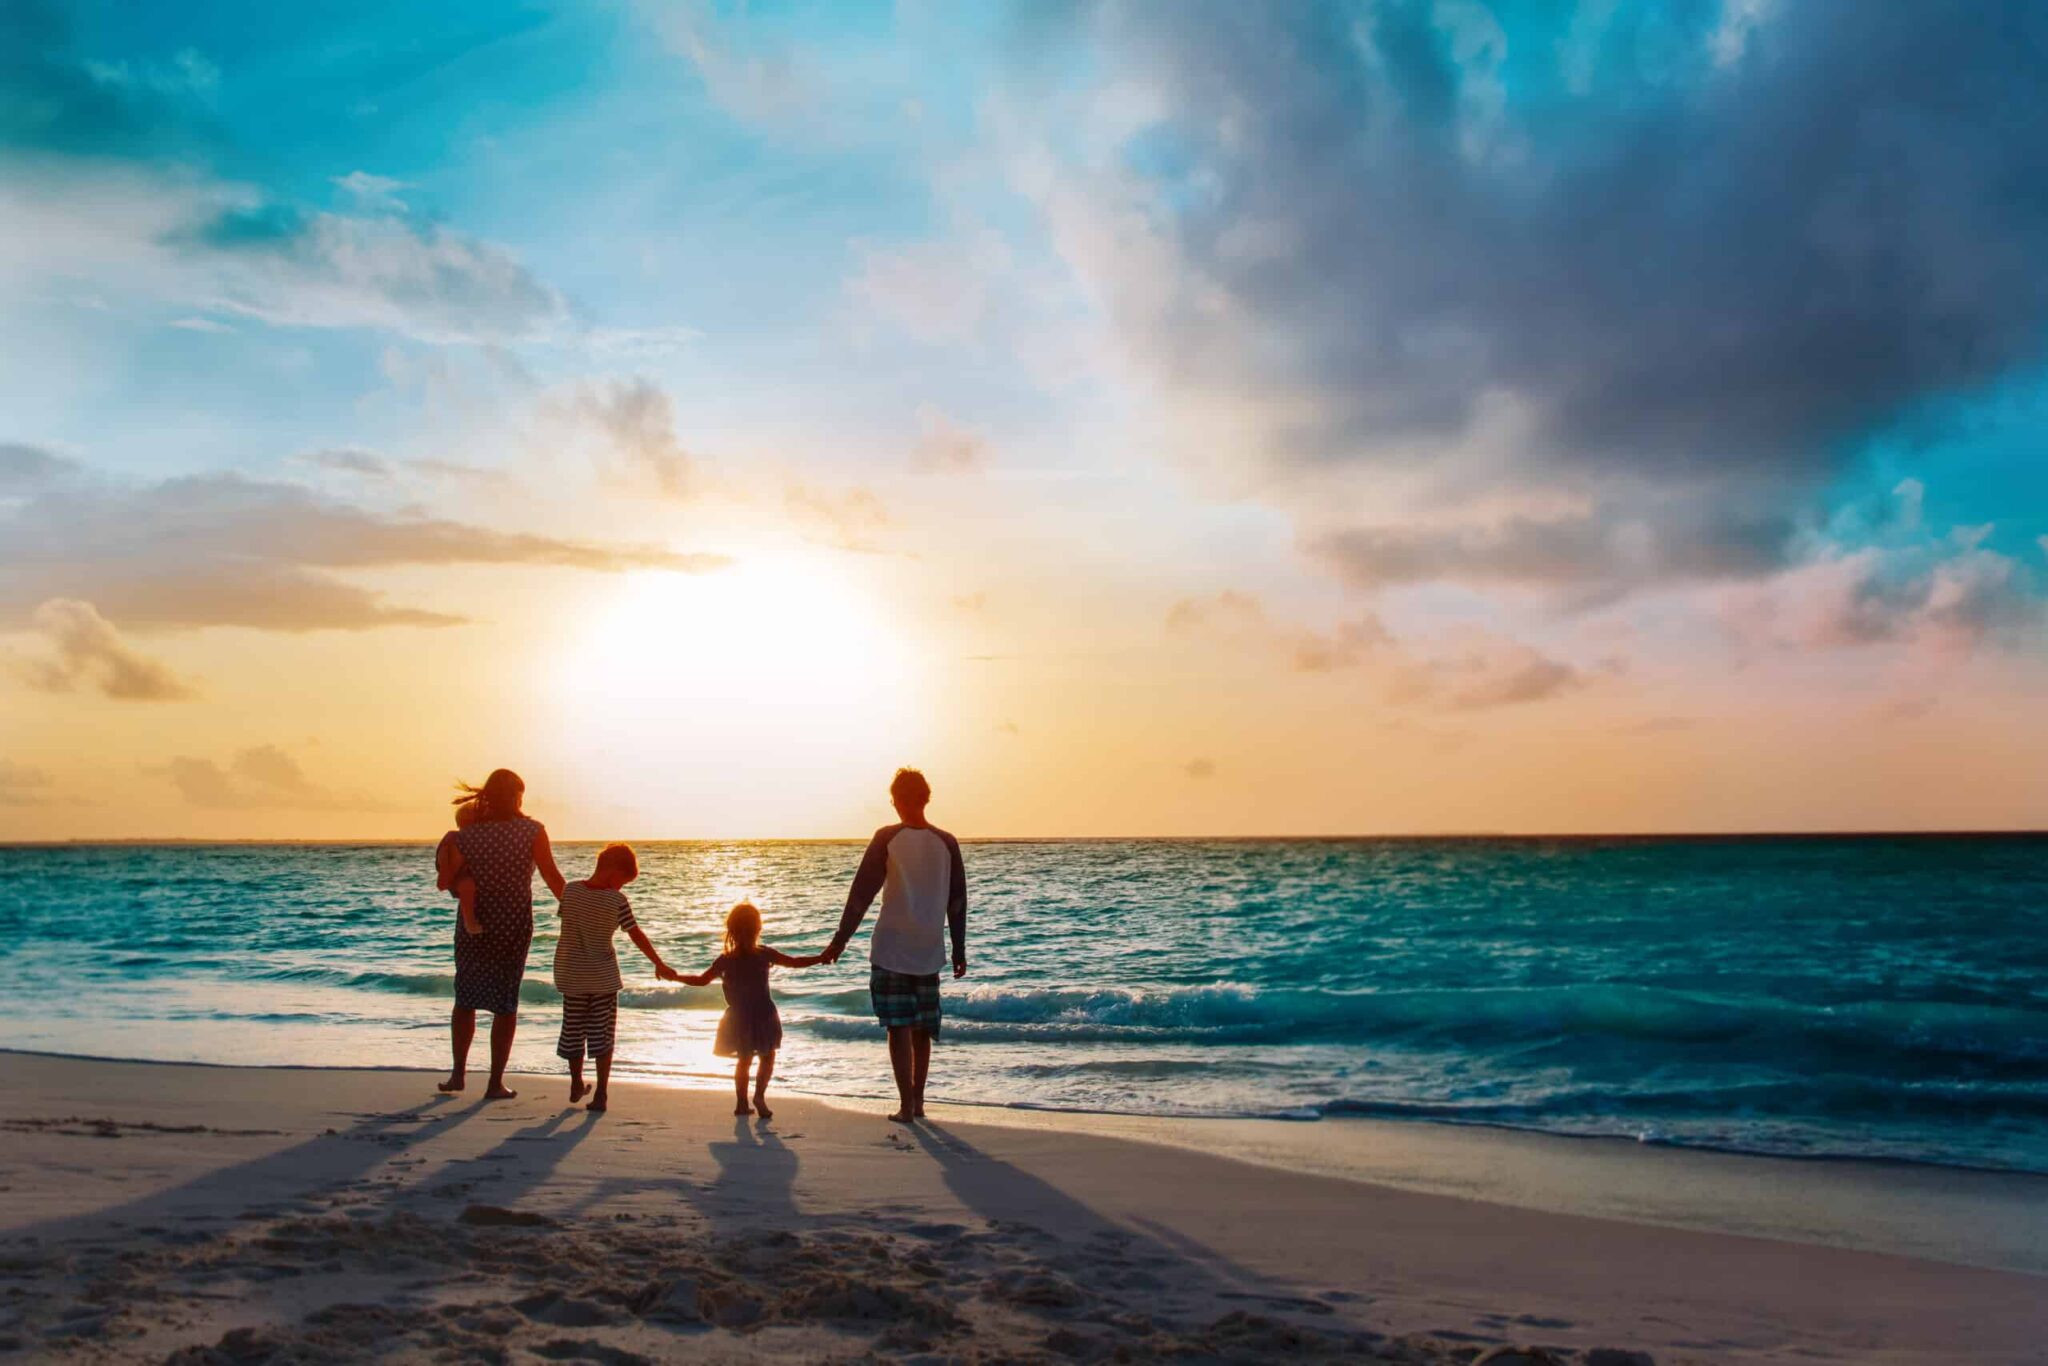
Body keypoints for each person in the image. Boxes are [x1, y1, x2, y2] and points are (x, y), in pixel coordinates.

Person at [820, 768, 967, 1124]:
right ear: (926, 798)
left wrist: (839, 941)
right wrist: (959, 949)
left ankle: (906, 1106)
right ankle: (917, 1102)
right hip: (929, 951)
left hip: (890, 949)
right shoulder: (947, 842)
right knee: (921, 1031)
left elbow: (861, 895)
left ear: (896, 801)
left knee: (898, 1027)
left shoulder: (886, 838)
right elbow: (958, 901)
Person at [434, 768, 565, 1100]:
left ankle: (458, 1074)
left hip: (472, 924)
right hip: (513, 924)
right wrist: (579, 909)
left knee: (465, 998)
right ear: (518, 797)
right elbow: (552, 878)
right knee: (505, 1003)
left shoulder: (465, 837)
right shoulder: (532, 831)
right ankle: (495, 1082)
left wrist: (453, 858)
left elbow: (447, 881)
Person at [663, 902, 823, 1119]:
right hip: (764, 1014)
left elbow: (701, 981)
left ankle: (741, 1103)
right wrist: (821, 957)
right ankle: (759, 1097)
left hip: (738, 1017)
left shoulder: (726, 960)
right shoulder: (764, 954)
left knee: (744, 1060)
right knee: (767, 1057)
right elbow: (795, 962)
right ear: (758, 928)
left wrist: (675, 976)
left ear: (731, 931)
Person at [552, 842, 674, 1113]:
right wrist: (658, 963)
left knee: (573, 1030)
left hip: (571, 976)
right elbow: (635, 934)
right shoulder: (616, 901)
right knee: (602, 1036)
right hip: (603, 979)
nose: (622, 888)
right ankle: (602, 1094)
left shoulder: (570, 891)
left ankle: (575, 1083)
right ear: (612, 871)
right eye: (623, 881)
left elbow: (567, 924)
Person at [434, 799, 483, 937]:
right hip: (458, 871)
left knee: (466, 889)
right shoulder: (456, 837)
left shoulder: (464, 838)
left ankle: (445, 875)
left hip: (462, 869)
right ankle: (470, 923)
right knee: (467, 887)